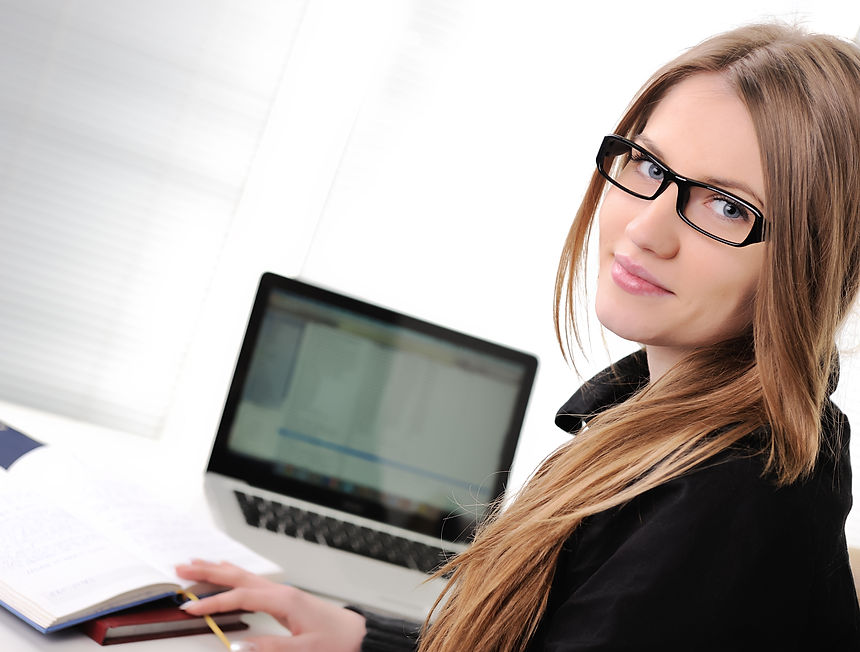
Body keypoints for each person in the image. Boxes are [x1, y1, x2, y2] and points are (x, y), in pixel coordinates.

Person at [176, 22, 860, 651]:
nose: (646, 229)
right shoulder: (676, 423)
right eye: (650, 167)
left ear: (815, 262)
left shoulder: (739, 489)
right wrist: (362, 636)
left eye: (728, 206)